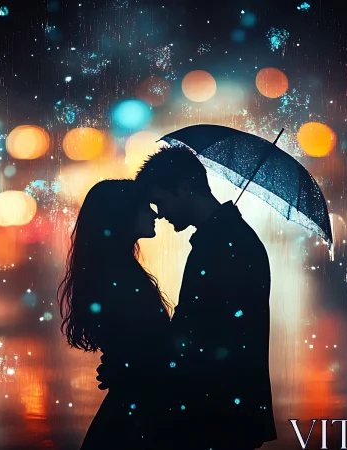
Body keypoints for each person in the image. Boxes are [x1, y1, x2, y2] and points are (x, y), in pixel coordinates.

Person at [97, 143, 277, 449]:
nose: (160, 214)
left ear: (184, 187)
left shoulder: (224, 245)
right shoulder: (221, 239)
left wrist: (134, 367)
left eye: (161, 202)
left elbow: (203, 336)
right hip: (221, 409)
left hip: (218, 414)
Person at [58, 179, 175, 450]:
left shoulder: (110, 271)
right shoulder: (120, 277)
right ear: (123, 214)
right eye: (145, 207)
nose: (154, 213)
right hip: (138, 419)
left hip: (128, 410)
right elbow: (145, 349)